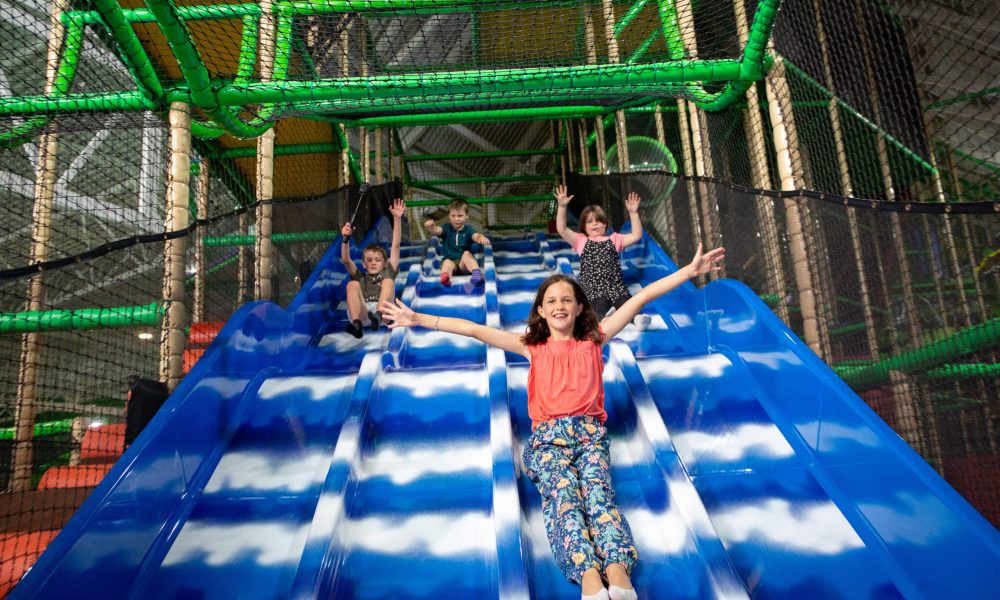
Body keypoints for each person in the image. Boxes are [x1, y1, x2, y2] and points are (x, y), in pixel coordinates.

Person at [380, 243, 726, 600]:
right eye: (552, 301)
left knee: (599, 495)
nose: (559, 305)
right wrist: (419, 319)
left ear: (579, 307)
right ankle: (588, 574)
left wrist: (688, 272)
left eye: (566, 300)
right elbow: (474, 330)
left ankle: (617, 568)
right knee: (565, 499)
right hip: (548, 440)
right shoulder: (532, 346)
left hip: (590, 437)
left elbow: (639, 299)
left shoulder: (595, 339)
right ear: (541, 311)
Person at [554, 185, 651, 331]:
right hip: (593, 288)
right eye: (590, 222)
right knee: (598, 305)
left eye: (598, 221)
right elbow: (562, 229)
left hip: (616, 286)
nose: (595, 224)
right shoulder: (581, 241)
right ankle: (605, 319)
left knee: (626, 302)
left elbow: (636, 235)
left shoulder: (614, 239)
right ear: (584, 227)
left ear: (605, 224)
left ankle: (637, 319)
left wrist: (633, 213)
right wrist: (562, 207)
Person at [340, 197, 405, 338]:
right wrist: (345, 239)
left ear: (385, 263)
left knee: (388, 281)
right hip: (363, 312)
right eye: (369, 260)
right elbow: (346, 260)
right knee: (352, 284)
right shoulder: (360, 276)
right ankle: (356, 325)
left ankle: (378, 316)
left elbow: (395, 246)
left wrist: (397, 219)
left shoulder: (388, 272)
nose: (373, 263)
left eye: (377, 260)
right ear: (364, 264)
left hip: (383, 314)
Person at [424, 199, 491, 291]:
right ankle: (446, 278)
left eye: (460, 215)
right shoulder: (446, 228)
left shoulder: (468, 230)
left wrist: (480, 237)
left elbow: (475, 235)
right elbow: (438, 231)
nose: (456, 219)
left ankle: (476, 274)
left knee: (467, 254)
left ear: (467, 216)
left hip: (464, 265)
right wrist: (432, 228)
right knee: (446, 262)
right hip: (451, 264)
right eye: (453, 216)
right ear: (449, 216)